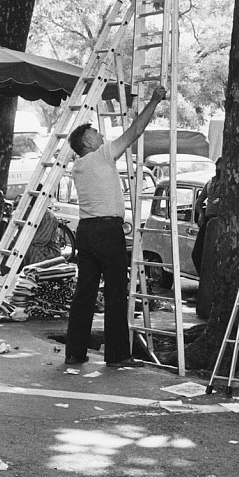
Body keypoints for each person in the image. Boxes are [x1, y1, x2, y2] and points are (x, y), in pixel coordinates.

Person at [64, 84, 167, 368]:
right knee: (115, 292)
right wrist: (154, 101)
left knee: (84, 292)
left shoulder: (78, 166)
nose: (99, 135)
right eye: (94, 133)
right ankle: (118, 354)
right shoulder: (101, 155)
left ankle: (74, 351)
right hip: (108, 231)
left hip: (86, 231)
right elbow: (134, 132)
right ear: (87, 143)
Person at [191, 158, 222, 276]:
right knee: (197, 254)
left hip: (218, 220)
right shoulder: (210, 183)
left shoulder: (226, 184)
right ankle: (203, 279)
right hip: (208, 220)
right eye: (217, 168)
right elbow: (198, 202)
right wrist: (201, 215)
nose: (218, 171)